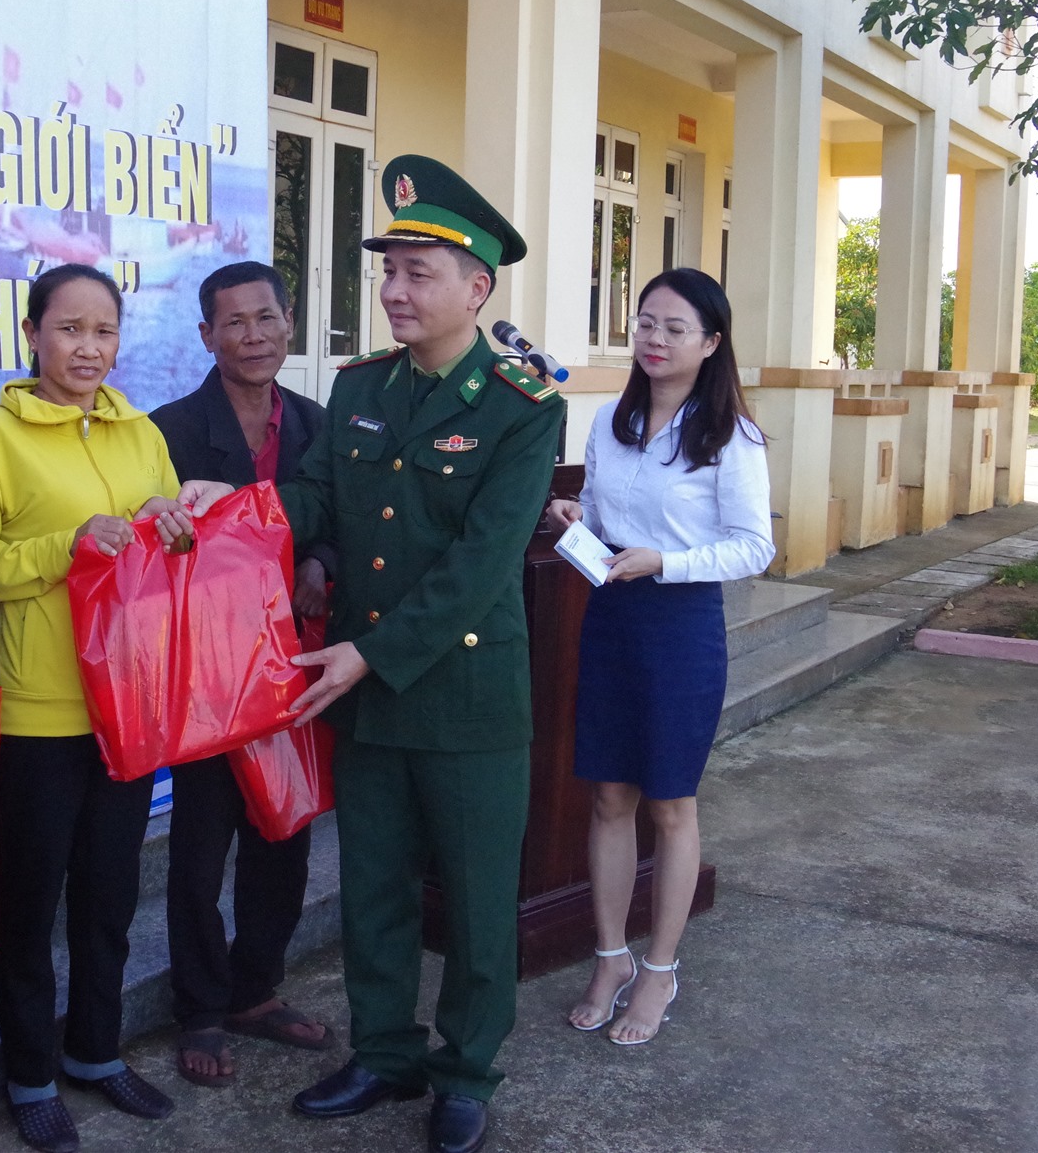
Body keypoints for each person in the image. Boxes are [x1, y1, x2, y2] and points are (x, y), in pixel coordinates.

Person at [276, 156, 563, 1153]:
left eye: (418, 272)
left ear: (476, 288)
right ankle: (383, 1053)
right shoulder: (358, 388)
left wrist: (367, 652)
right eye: (387, 271)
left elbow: (481, 565)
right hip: (367, 694)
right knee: (374, 884)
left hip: (468, 696)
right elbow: (308, 501)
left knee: (480, 899)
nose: (394, 291)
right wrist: (222, 515)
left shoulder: (521, 406)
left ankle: (464, 1070)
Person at [0, 263, 230, 1153]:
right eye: (70, 328)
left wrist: (171, 513)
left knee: (110, 896)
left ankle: (94, 1050)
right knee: (31, 903)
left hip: (130, 702)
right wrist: (67, 544)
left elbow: (162, 544)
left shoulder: (139, 432)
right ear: (33, 332)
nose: (88, 348)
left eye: (104, 331)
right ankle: (32, 1073)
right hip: (41, 710)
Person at [545, 270, 774, 1047]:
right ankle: (610, 957)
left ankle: (660, 968)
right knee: (609, 797)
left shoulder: (730, 436)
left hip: (680, 627)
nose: (655, 338)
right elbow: (609, 519)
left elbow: (754, 547)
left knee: (670, 805)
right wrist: (579, 514)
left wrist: (665, 563)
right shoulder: (610, 419)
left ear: (710, 343)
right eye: (645, 322)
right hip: (612, 616)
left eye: (675, 328)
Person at [149, 261, 334, 1087]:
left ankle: (257, 986)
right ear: (206, 336)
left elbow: (340, 521)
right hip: (210, 674)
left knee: (284, 832)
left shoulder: (320, 424)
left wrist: (319, 562)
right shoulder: (172, 429)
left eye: (267, 318)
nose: (253, 335)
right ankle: (201, 1006)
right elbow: (159, 552)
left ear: (290, 324)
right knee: (199, 843)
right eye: (234, 323)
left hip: (294, 665)